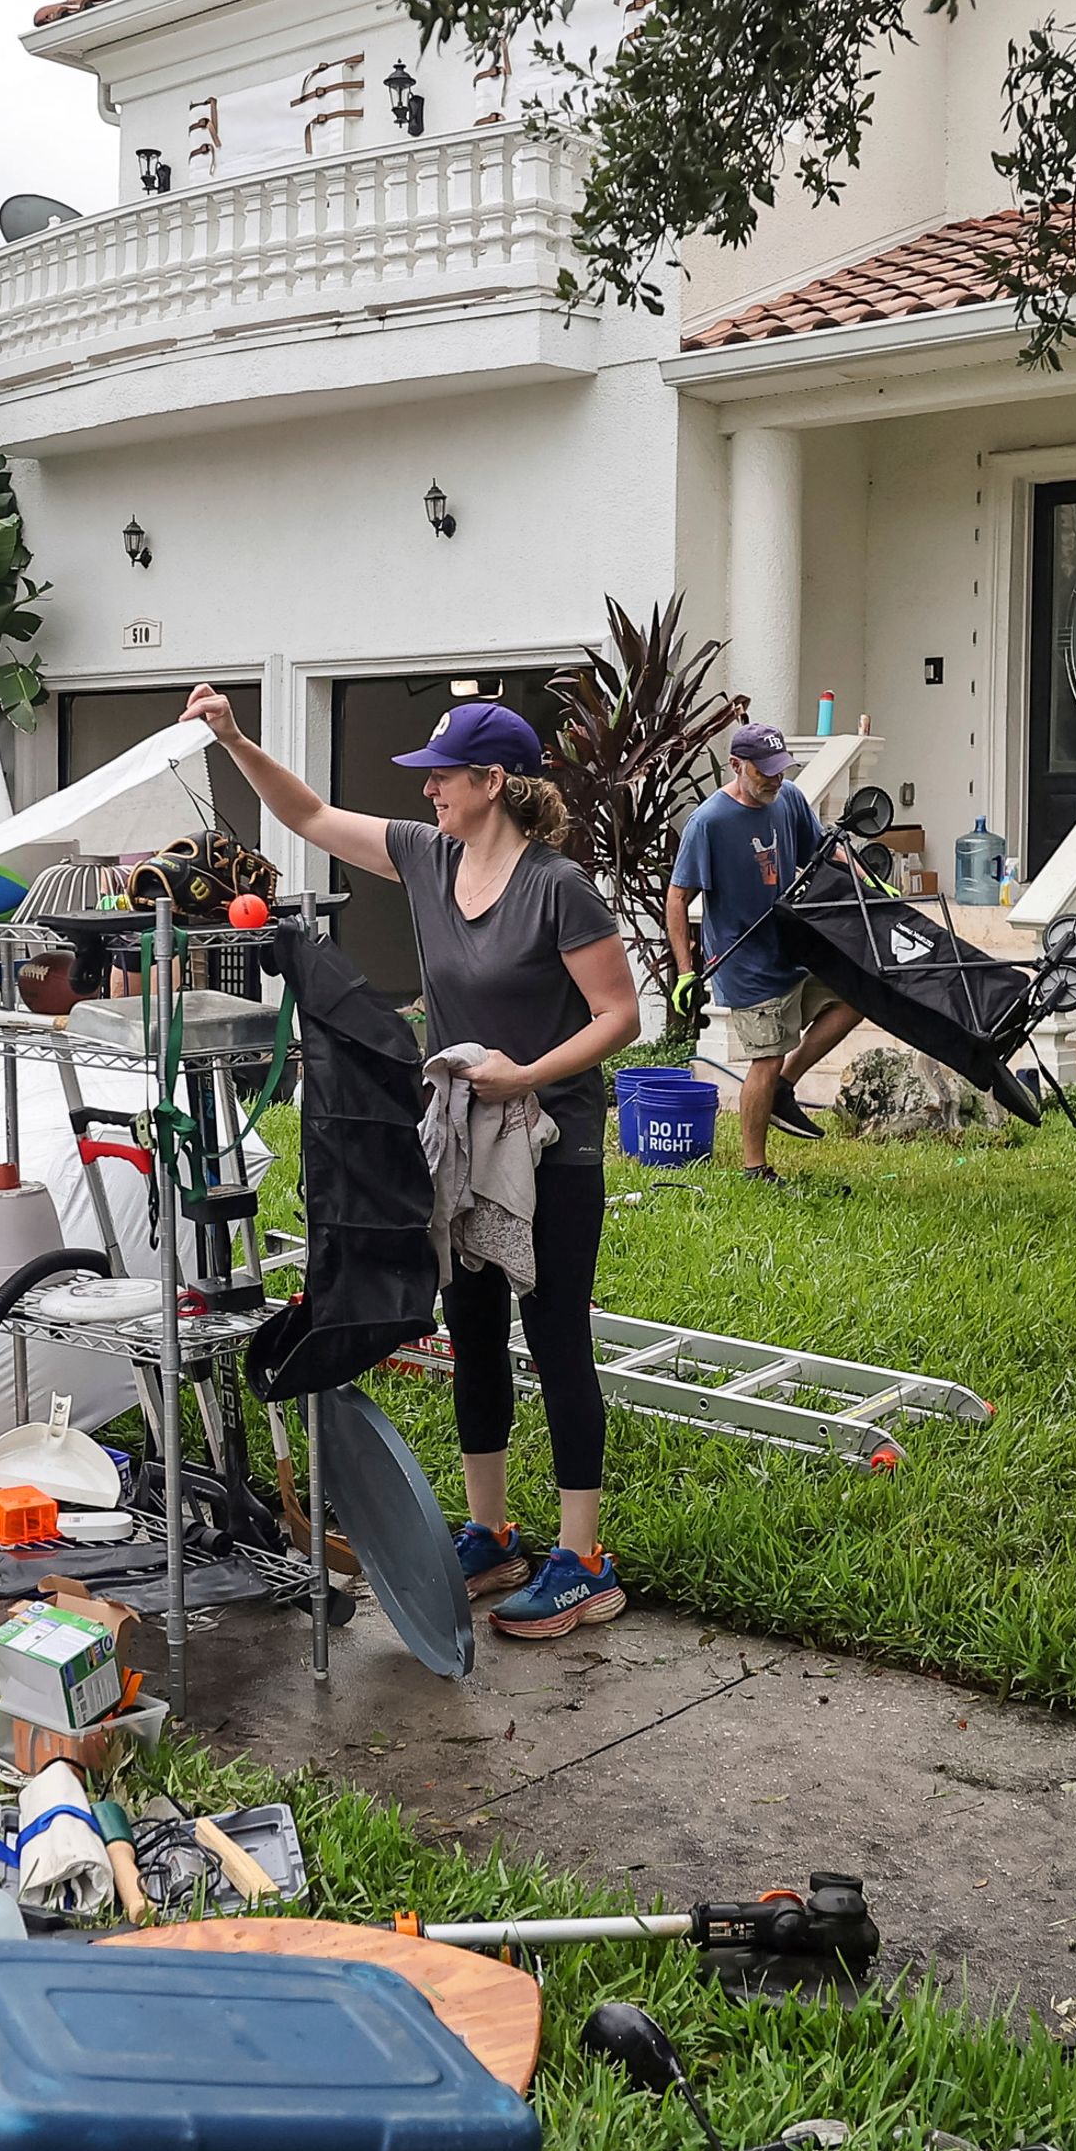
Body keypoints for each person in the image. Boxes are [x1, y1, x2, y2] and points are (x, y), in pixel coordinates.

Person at [183, 685, 641, 1637]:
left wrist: (528, 1077)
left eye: (442, 776)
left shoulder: (558, 886)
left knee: (555, 1340)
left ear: (492, 780)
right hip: (464, 1132)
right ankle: (490, 1532)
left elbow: (621, 1016)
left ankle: (583, 1559)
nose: (429, 790)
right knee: (472, 1330)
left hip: (554, 1140)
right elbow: (305, 814)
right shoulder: (426, 858)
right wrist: (232, 739)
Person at [665, 724, 862, 1182]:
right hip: (744, 960)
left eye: (779, 770)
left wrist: (869, 885)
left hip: (793, 943)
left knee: (854, 995)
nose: (774, 779)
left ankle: (783, 1088)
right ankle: (755, 1166)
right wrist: (684, 972)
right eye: (764, 771)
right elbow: (678, 897)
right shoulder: (709, 823)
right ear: (736, 766)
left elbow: (824, 851)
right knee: (766, 1056)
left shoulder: (788, 798)